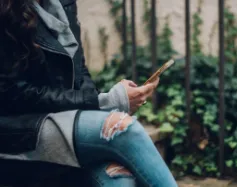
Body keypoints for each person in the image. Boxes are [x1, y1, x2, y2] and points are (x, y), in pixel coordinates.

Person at [0, 0, 178, 186]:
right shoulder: (8, 9)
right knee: (121, 129)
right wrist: (103, 102)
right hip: (20, 123)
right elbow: (14, 93)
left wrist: (99, 102)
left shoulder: (63, 4)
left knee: (117, 178)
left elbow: (79, 70)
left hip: (64, 114)